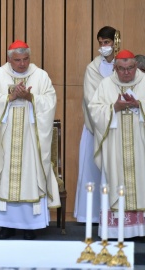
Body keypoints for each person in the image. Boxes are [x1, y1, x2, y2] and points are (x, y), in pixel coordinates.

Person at [0, 40, 60, 240]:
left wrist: (30, 97)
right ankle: (5, 225)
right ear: (9, 59)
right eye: (17, 60)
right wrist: (9, 97)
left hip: (31, 138)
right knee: (4, 176)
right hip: (5, 137)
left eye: (26, 59)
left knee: (29, 176)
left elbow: (50, 101)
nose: (22, 64)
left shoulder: (40, 76)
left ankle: (30, 226)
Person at [89, 49, 145, 239]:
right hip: (114, 146)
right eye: (122, 69)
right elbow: (94, 110)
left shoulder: (144, 82)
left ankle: (141, 230)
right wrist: (114, 108)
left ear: (136, 67)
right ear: (115, 68)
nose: (126, 73)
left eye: (130, 68)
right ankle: (114, 231)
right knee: (114, 180)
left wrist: (140, 105)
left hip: (140, 147)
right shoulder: (106, 85)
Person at [74, 26, 118, 224]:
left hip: (119, 127)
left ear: (115, 43)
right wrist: (106, 116)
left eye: (107, 43)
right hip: (96, 126)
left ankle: (117, 214)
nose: (103, 47)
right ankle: (90, 215)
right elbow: (91, 99)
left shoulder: (124, 65)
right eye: (100, 43)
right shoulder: (93, 68)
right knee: (93, 170)